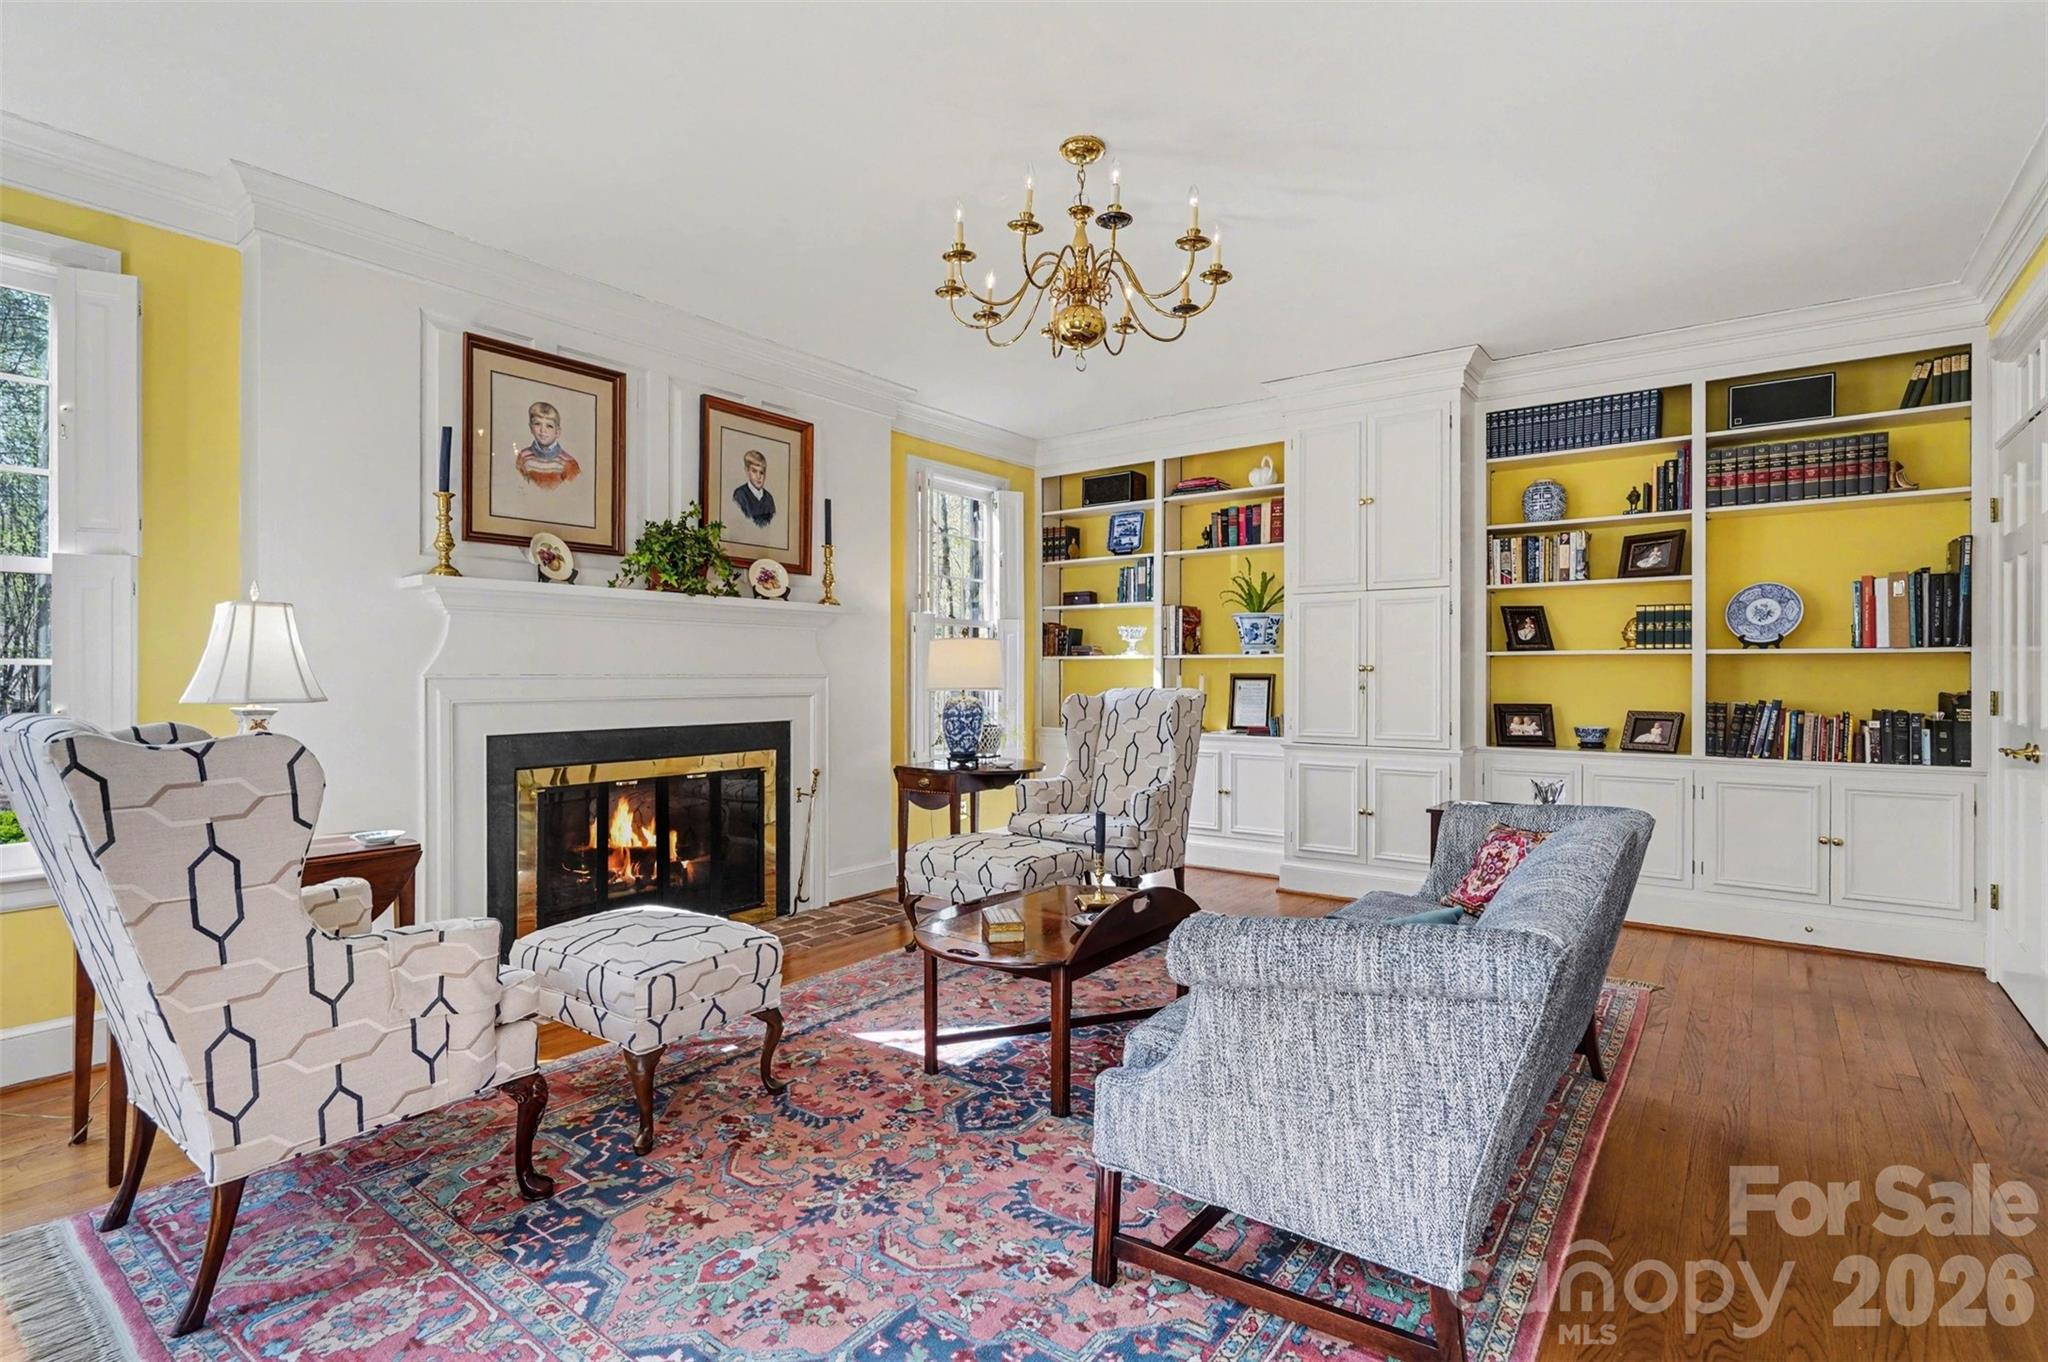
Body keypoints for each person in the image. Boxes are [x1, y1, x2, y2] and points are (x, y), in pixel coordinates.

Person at [514, 401, 580, 489]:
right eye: (537, 424)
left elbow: (572, 490)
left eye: (549, 426)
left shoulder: (568, 463)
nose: (543, 430)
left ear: (557, 432)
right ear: (531, 428)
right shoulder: (523, 457)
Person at [732, 448, 776, 528]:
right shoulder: (740, 495)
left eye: (761, 472)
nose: (758, 477)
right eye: (754, 471)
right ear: (747, 471)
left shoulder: (769, 498)